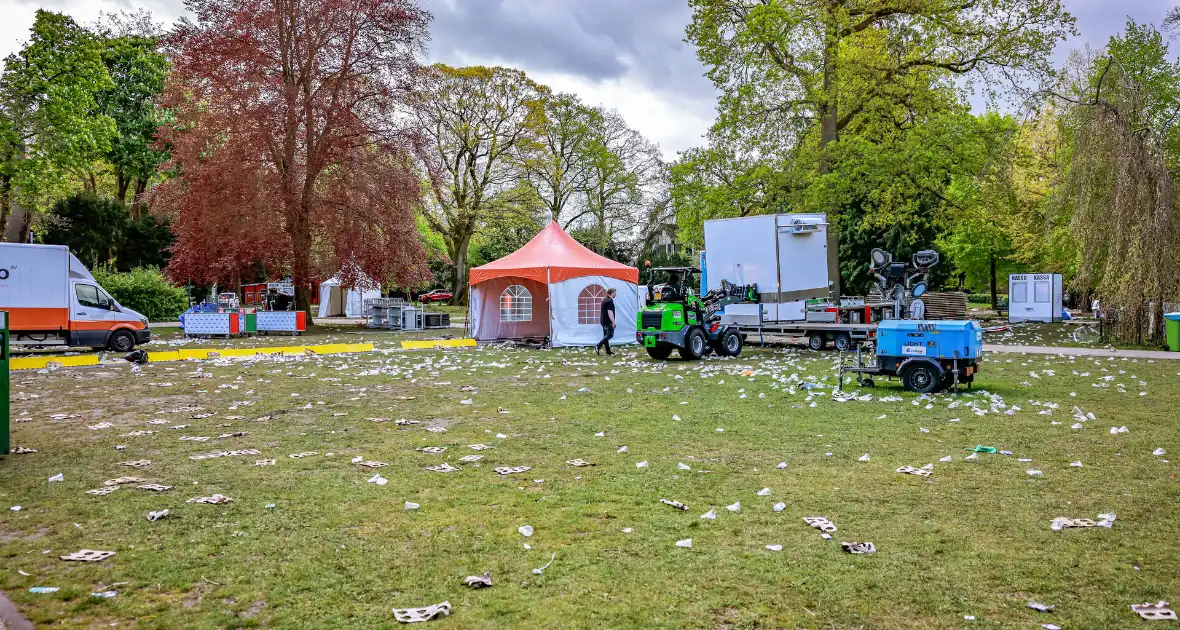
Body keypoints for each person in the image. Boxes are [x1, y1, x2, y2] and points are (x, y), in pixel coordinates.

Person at [596, 287, 617, 356]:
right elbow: (610, 312)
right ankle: (598, 346)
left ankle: (608, 351)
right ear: (612, 292)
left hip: (603, 320)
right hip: (607, 321)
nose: (615, 294)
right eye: (615, 292)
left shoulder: (604, 299)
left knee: (605, 336)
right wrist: (613, 322)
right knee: (610, 334)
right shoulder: (609, 301)